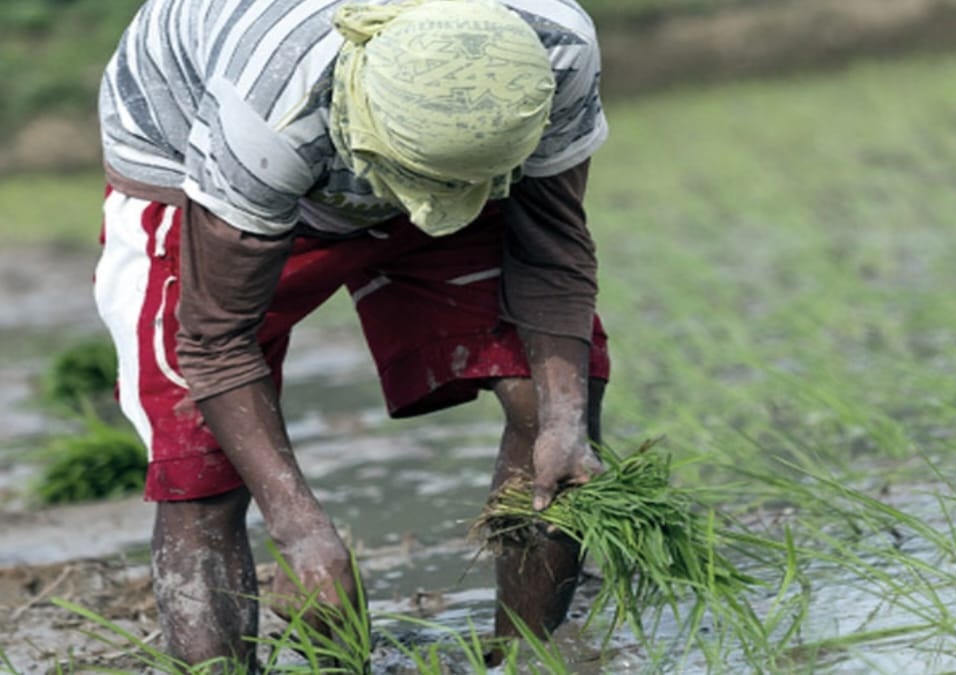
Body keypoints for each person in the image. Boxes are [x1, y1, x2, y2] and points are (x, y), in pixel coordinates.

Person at [94, 0, 610, 668]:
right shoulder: (269, 106)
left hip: (457, 142)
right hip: (195, 167)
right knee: (201, 468)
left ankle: (524, 657)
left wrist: (564, 424)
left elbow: (552, 255)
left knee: (553, 402)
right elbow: (214, 339)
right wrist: (301, 529)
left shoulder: (555, 51)